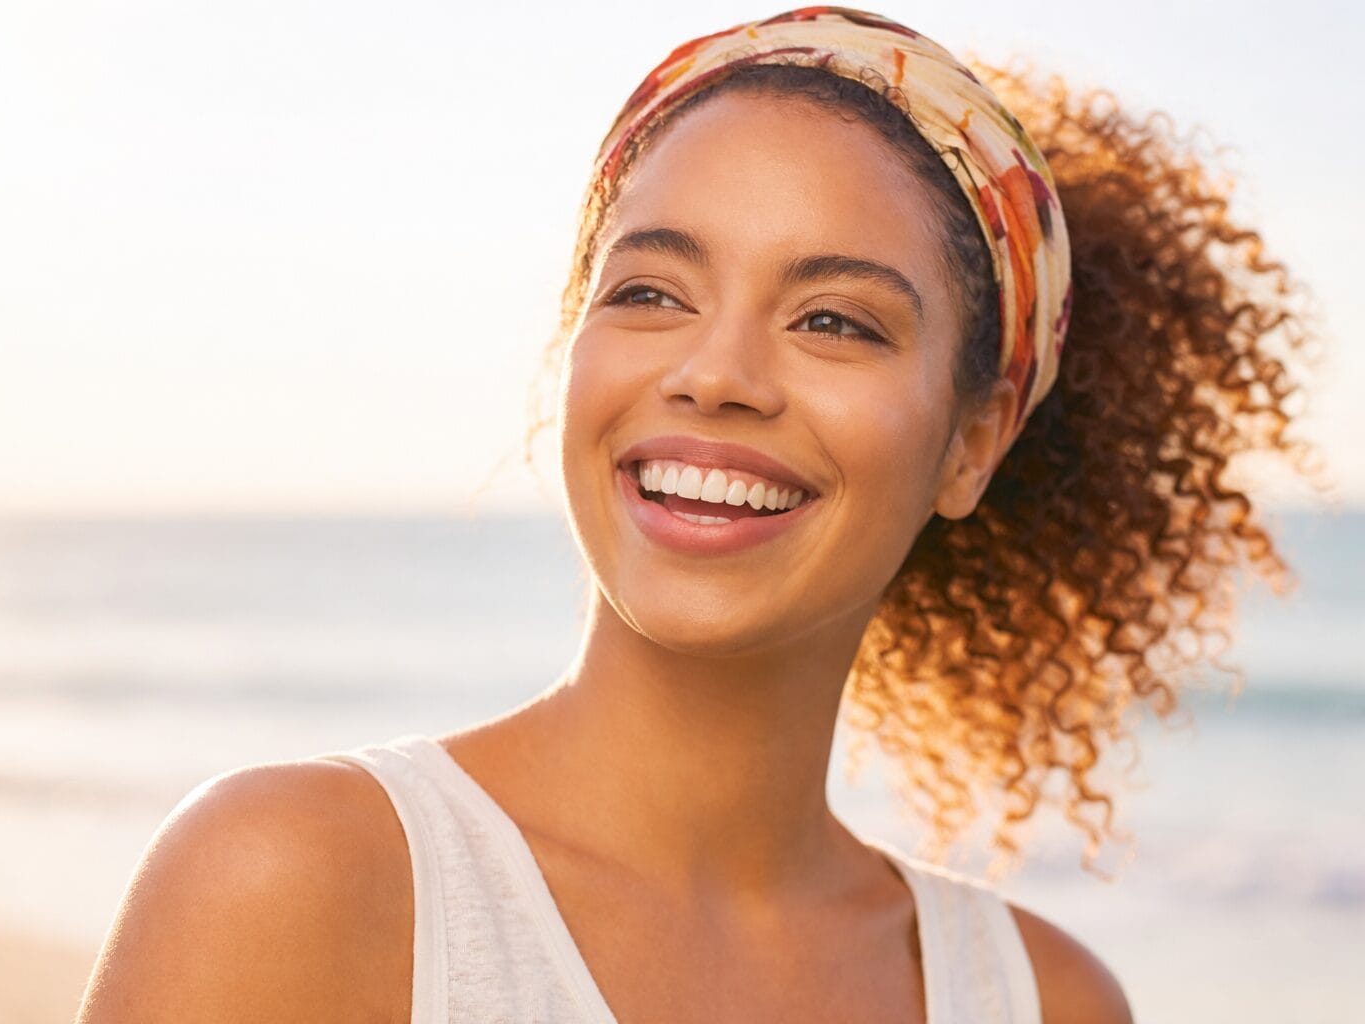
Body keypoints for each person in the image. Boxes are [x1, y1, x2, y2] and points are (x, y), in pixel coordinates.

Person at [75, 7, 1317, 1023]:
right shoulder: (298, 880)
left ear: (972, 441)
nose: (715, 372)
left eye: (834, 318)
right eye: (652, 290)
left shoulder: (1044, 1001)